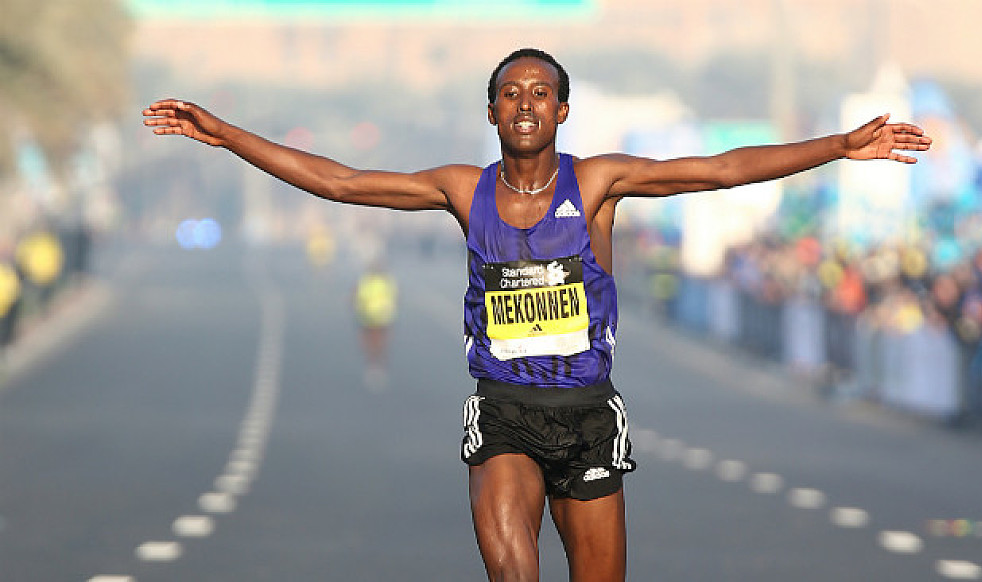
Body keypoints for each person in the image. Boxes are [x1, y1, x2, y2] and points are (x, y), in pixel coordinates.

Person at [143, 47, 931, 582]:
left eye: (540, 94)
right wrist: (225, 136)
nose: (525, 104)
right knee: (513, 570)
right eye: (510, 94)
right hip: (505, 414)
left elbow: (721, 170)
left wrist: (838, 146)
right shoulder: (463, 188)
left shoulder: (599, 183)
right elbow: (342, 183)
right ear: (492, 112)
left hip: (587, 415)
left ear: (562, 110)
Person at [353, 260, 398, 391]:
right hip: (379, 315)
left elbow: (357, 296)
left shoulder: (367, 280)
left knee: (373, 341)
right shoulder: (385, 281)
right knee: (378, 341)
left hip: (372, 315)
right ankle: (377, 365)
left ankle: (374, 365)